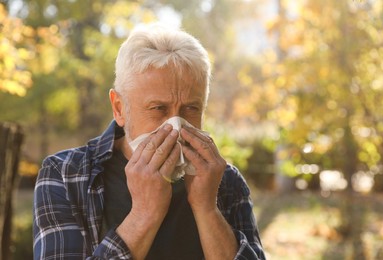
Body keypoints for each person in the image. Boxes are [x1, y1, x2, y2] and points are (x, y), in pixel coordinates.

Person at [33, 23, 266, 260]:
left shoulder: (226, 180)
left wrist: (207, 209)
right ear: (119, 108)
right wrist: (143, 215)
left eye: (191, 108)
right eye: (158, 108)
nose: (175, 126)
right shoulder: (64, 174)